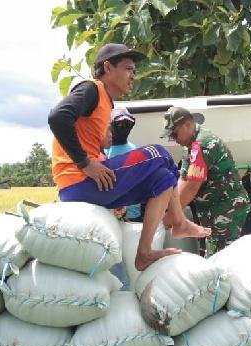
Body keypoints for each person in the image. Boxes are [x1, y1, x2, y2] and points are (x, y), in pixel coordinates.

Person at [48, 43, 210, 270]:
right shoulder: (92, 89)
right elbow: (57, 117)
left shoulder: (107, 103)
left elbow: (86, 137)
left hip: (91, 183)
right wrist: (85, 163)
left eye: (134, 70)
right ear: (107, 67)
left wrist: (97, 156)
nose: (133, 76)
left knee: (163, 178)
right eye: (128, 69)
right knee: (159, 153)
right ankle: (179, 222)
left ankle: (144, 252)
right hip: (78, 181)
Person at [160, 106, 251, 256]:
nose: (174, 140)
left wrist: (170, 216)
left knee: (223, 258)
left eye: (174, 134)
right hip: (213, 211)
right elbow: (183, 180)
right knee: (214, 255)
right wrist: (170, 209)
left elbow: (191, 187)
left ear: (187, 125)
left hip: (227, 210)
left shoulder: (203, 145)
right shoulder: (191, 145)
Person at [105, 107, 142, 222]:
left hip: (131, 214)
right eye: (120, 124)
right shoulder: (102, 151)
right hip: (110, 215)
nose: (123, 127)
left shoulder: (136, 151)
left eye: (127, 124)